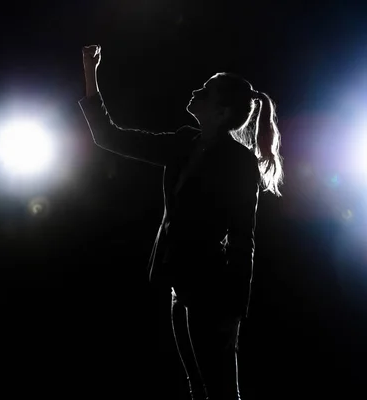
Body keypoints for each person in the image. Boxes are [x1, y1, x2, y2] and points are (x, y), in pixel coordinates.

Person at [80, 44, 284, 400]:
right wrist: (89, 72)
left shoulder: (237, 162)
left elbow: (242, 237)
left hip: (212, 292)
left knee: (220, 391)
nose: (194, 92)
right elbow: (108, 136)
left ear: (221, 112)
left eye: (204, 92)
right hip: (181, 282)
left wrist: (234, 308)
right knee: (198, 387)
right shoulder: (184, 143)